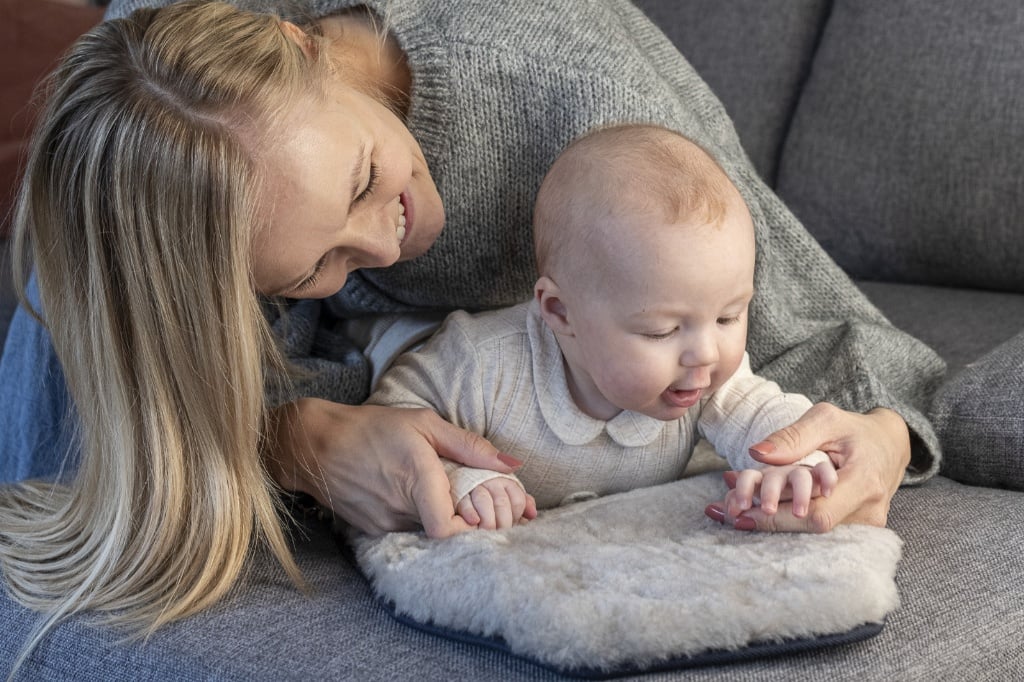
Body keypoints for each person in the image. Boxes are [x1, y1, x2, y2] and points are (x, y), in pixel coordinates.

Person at [0, 0, 943, 659]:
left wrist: (884, 439)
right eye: (315, 271)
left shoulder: (581, 90)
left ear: (308, 48)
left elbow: (829, 332)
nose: (383, 240)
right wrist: (294, 436)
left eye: (365, 176)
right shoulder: (150, 138)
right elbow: (64, 467)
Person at [368, 124, 838, 529]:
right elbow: (392, 418)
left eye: (728, 316)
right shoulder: (480, 364)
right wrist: (462, 475)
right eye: (661, 331)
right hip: (388, 328)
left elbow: (762, 414)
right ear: (560, 312)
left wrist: (795, 461)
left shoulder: (704, 374)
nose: (707, 353)